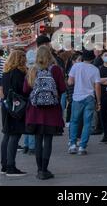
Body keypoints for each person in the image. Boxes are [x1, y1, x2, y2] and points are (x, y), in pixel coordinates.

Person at [25, 46, 66, 180]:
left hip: (35, 111)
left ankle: (39, 170)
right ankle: (45, 169)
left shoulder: (32, 69)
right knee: (48, 140)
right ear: (50, 55)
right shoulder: (55, 69)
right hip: (51, 111)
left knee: (38, 140)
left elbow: (25, 89)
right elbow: (62, 88)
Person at [67, 50, 101, 156]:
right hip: (89, 97)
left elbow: (70, 82)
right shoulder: (95, 69)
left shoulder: (76, 66)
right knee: (87, 123)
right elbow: (97, 86)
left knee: (74, 121)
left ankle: (72, 145)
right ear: (92, 59)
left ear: (82, 58)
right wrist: (98, 101)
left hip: (77, 97)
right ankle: (82, 147)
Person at [0, 50, 28, 177]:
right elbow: (22, 91)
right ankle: (11, 167)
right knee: (14, 136)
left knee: (7, 134)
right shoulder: (19, 73)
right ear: (20, 59)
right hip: (17, 106)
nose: (25, 60)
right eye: (24, 58)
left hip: (7, 105)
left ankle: (4, 165)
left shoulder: (6, 72)